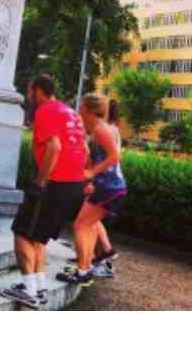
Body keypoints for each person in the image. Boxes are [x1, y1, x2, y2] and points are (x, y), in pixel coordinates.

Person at [0, 74, 88, 309]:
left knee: (21, 232)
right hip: (74, 183)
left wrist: (40, 182)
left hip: (54, 183)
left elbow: (54, 147)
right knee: (38, 237)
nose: (29, 95)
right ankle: (39, 288)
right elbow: (85, 149)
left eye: (30, 90)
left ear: (38, 90)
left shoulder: (45, 111)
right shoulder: (70, 112)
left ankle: (29, 291)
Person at [56, 94, 127, 286]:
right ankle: (85, 268)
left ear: (88, 109)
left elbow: (115, 157)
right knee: (88, 226)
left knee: (80, 226)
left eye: (81, 107)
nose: (79, 110)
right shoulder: (100, 129)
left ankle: (83, 271)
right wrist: (90, 179)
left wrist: (91, 173)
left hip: (108, 186)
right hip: (109, 186)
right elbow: (97, 156)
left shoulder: (100, 129)